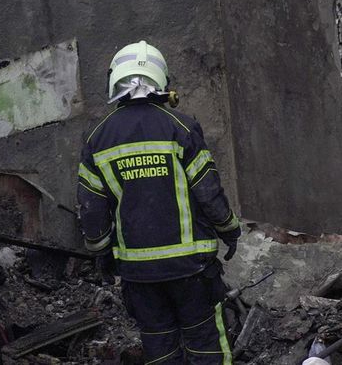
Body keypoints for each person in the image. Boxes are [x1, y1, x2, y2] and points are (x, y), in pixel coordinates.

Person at [77, 41, 240, 364]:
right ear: (160, 79)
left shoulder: (98, 139)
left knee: (160, 349)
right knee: (205, 343)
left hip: (139, 275)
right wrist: (229, 230)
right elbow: (208, 192)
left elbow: (92, 213)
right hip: (191, 269)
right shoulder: (180, 128)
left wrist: (101, 254)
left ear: (115, 81)